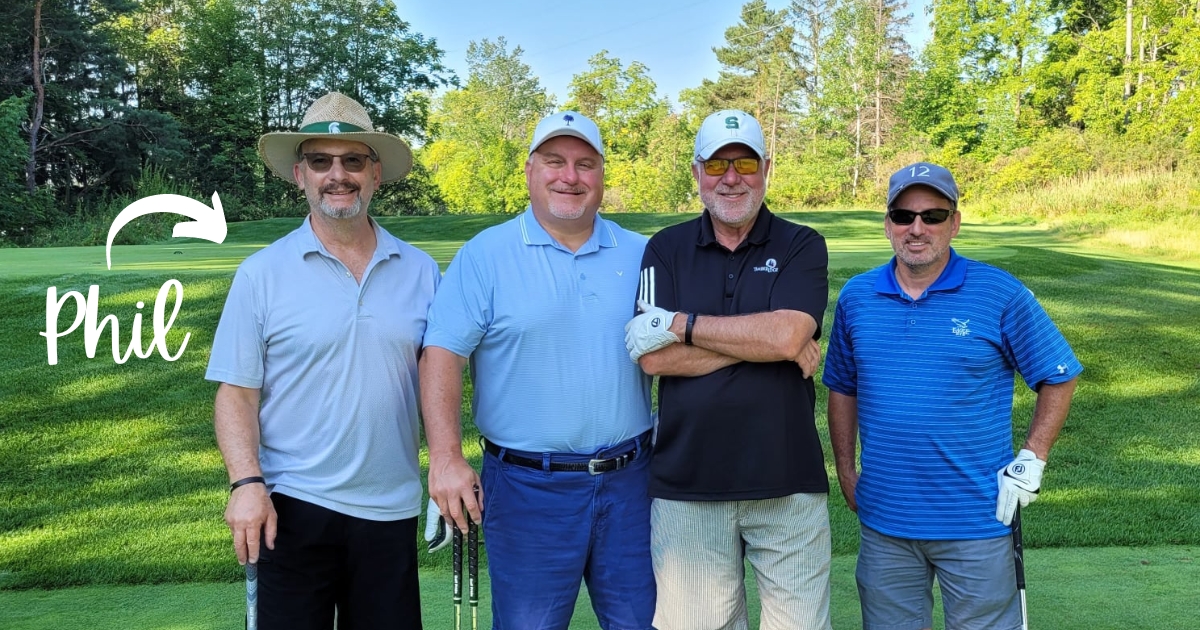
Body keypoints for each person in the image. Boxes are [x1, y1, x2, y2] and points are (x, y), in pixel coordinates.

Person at [206, 92, 439, 630]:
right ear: (300, 175)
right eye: (321, 161)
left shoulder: (422, 271)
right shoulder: (261, 274)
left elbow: (441, 379)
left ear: (375, 173)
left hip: (390, 507)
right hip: (291, 507)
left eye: (352, 160)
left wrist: (448, 460)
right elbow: (236, 393)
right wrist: (245, 484)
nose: (338, 175)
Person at [420, 111, 656, 629]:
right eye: (554, 161)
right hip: (528, 490)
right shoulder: (485, 255)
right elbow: (442, 354)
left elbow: (684, 341)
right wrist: (444, 457)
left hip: (632, 484)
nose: (569, 176)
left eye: (584, 164)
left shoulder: (642, 254)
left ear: (602, 176)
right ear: (529, 170)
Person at [822, 162, 1083, 630]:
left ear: (954, 223)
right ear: (888, 224)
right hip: (885, 520)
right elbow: (843, 387)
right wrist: (845, 470)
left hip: (976, 516)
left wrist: (1033, 457)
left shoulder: (998, 292)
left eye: (933, 216)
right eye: (903, 216)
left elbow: (1058, 374)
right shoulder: (857, 297)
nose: (916, 228)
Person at [624, 109, 832, 630]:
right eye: (716, 166)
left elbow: (787, 334)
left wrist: (682, 323)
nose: (731, 178)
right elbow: (654, 357)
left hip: (789, 481)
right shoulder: (665, 248)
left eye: (743, 163)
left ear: (766, 168)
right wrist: (769, 341)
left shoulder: (802, 243)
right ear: (696, 174)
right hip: (687, 484)